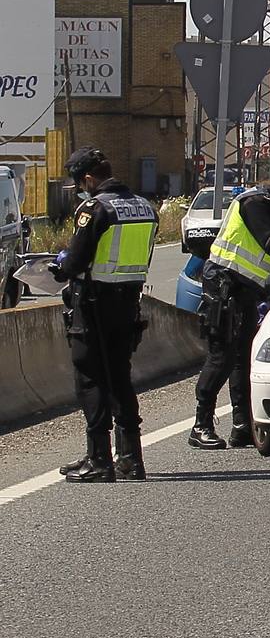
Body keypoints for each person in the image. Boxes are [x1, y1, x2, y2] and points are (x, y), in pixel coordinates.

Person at [50, 148, 156, 483]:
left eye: (79, 182)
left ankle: (99, 459)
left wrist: (60, 264)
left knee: (90, 378)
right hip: (128, 303)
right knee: (120, 379)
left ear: (89, 179)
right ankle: (130, 460)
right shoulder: (145, 207)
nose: (80, 188)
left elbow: (76, 262)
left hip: (93, 304)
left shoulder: (95, 208)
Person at [189, 164, 270, 450]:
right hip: (224, 282)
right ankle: (201, 424)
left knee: (242, 356)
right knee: (221, 355)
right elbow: (269, 243)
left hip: (244, 288)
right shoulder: (256, 202)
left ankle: (242, 425)